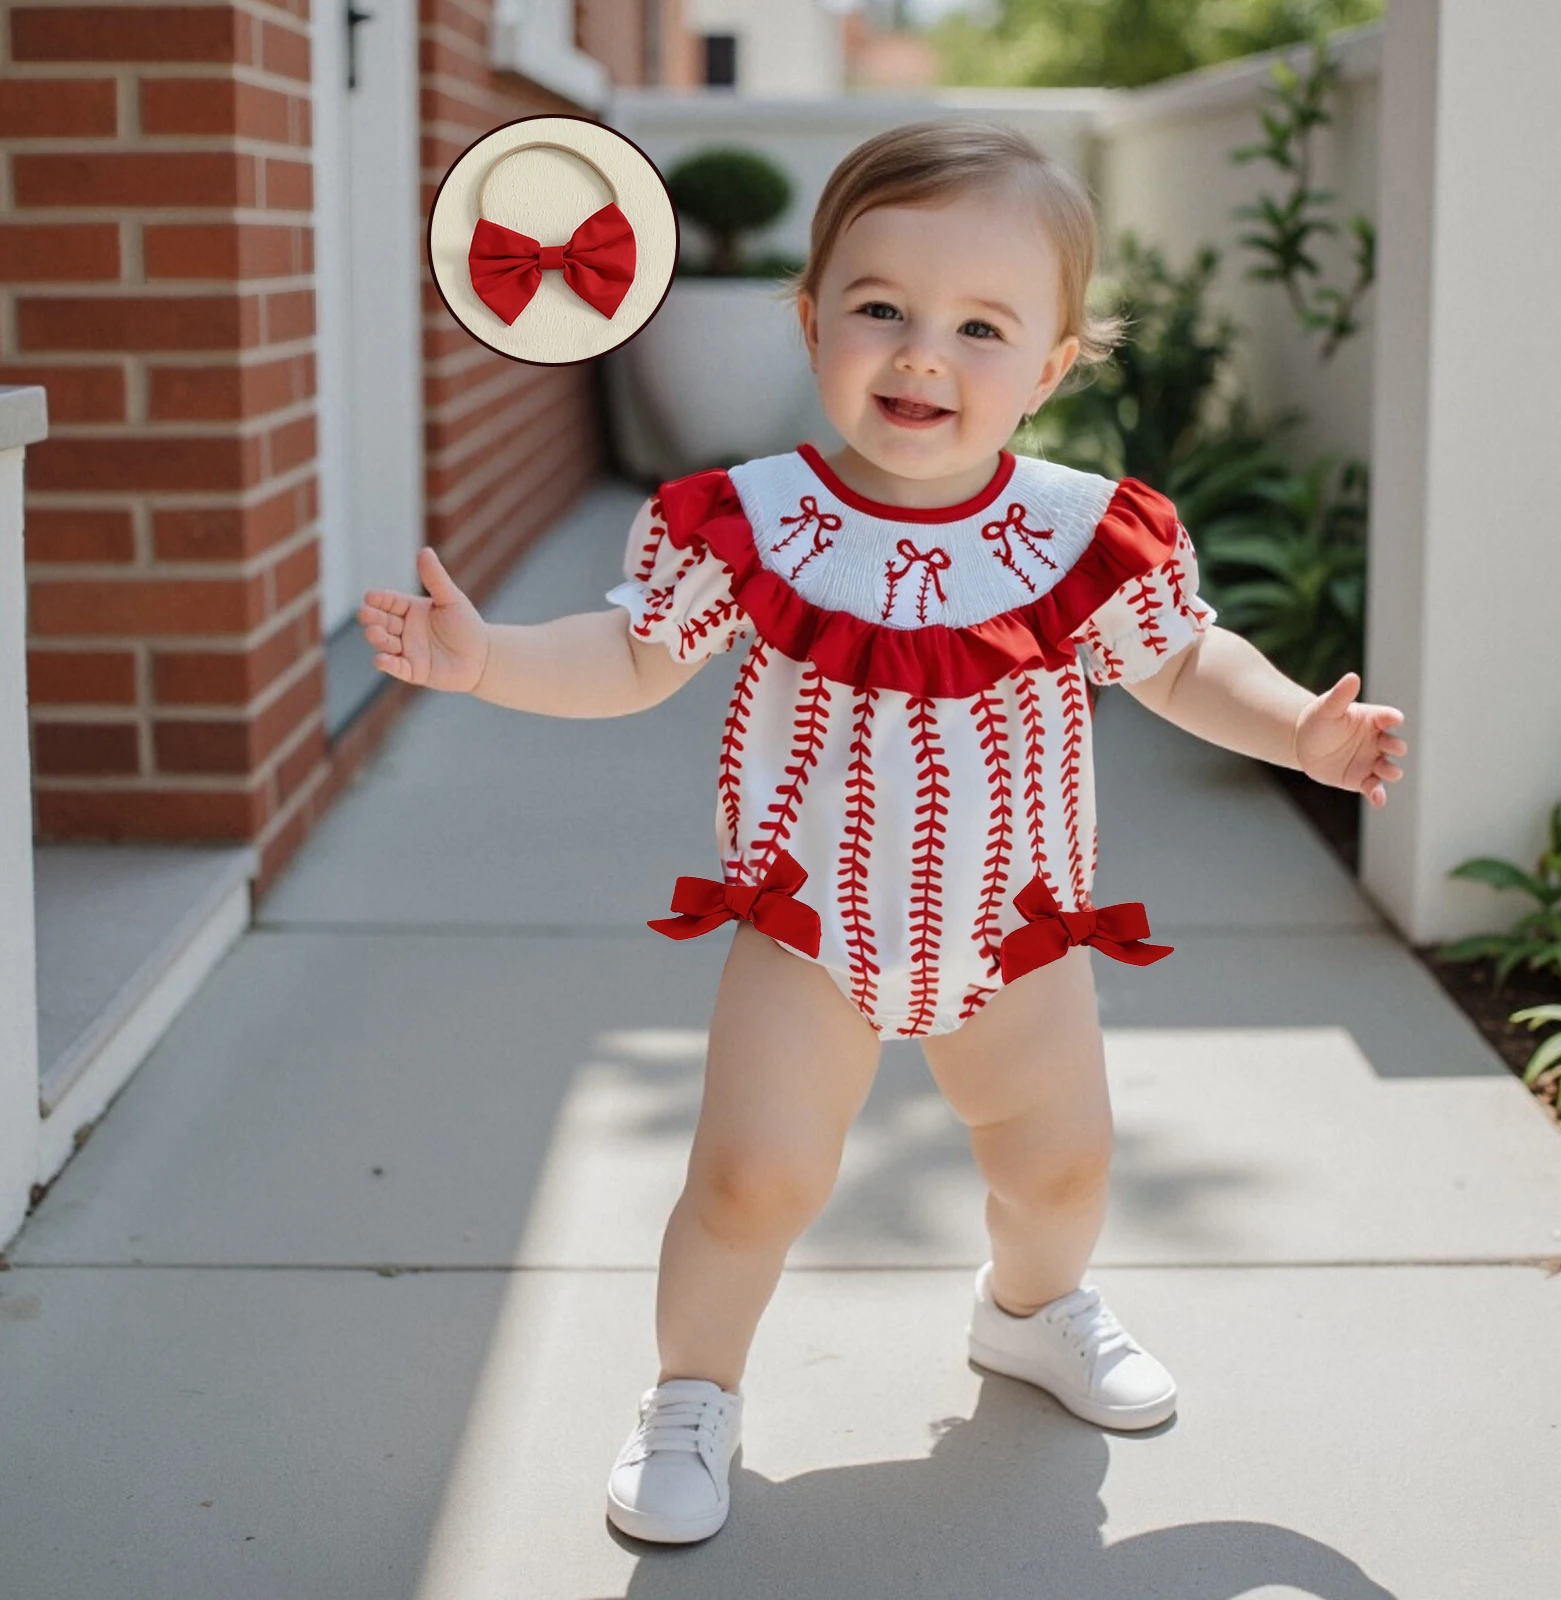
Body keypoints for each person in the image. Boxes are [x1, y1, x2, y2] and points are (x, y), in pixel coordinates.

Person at [359, 119, 1407, 1547]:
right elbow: (631, 657)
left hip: (1018, 926)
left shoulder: (1084, 531)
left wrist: (1298, 727)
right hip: (809, 921)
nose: (923, 352)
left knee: (1062, 1161)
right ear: (811, 323)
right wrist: (489, 662)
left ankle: (1031, 1312)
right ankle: (692, 1391)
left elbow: (1176, 660)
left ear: (1048, 368)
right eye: (881, 308)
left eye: (982, 326)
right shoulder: (755, 521)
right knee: (749, 1177)